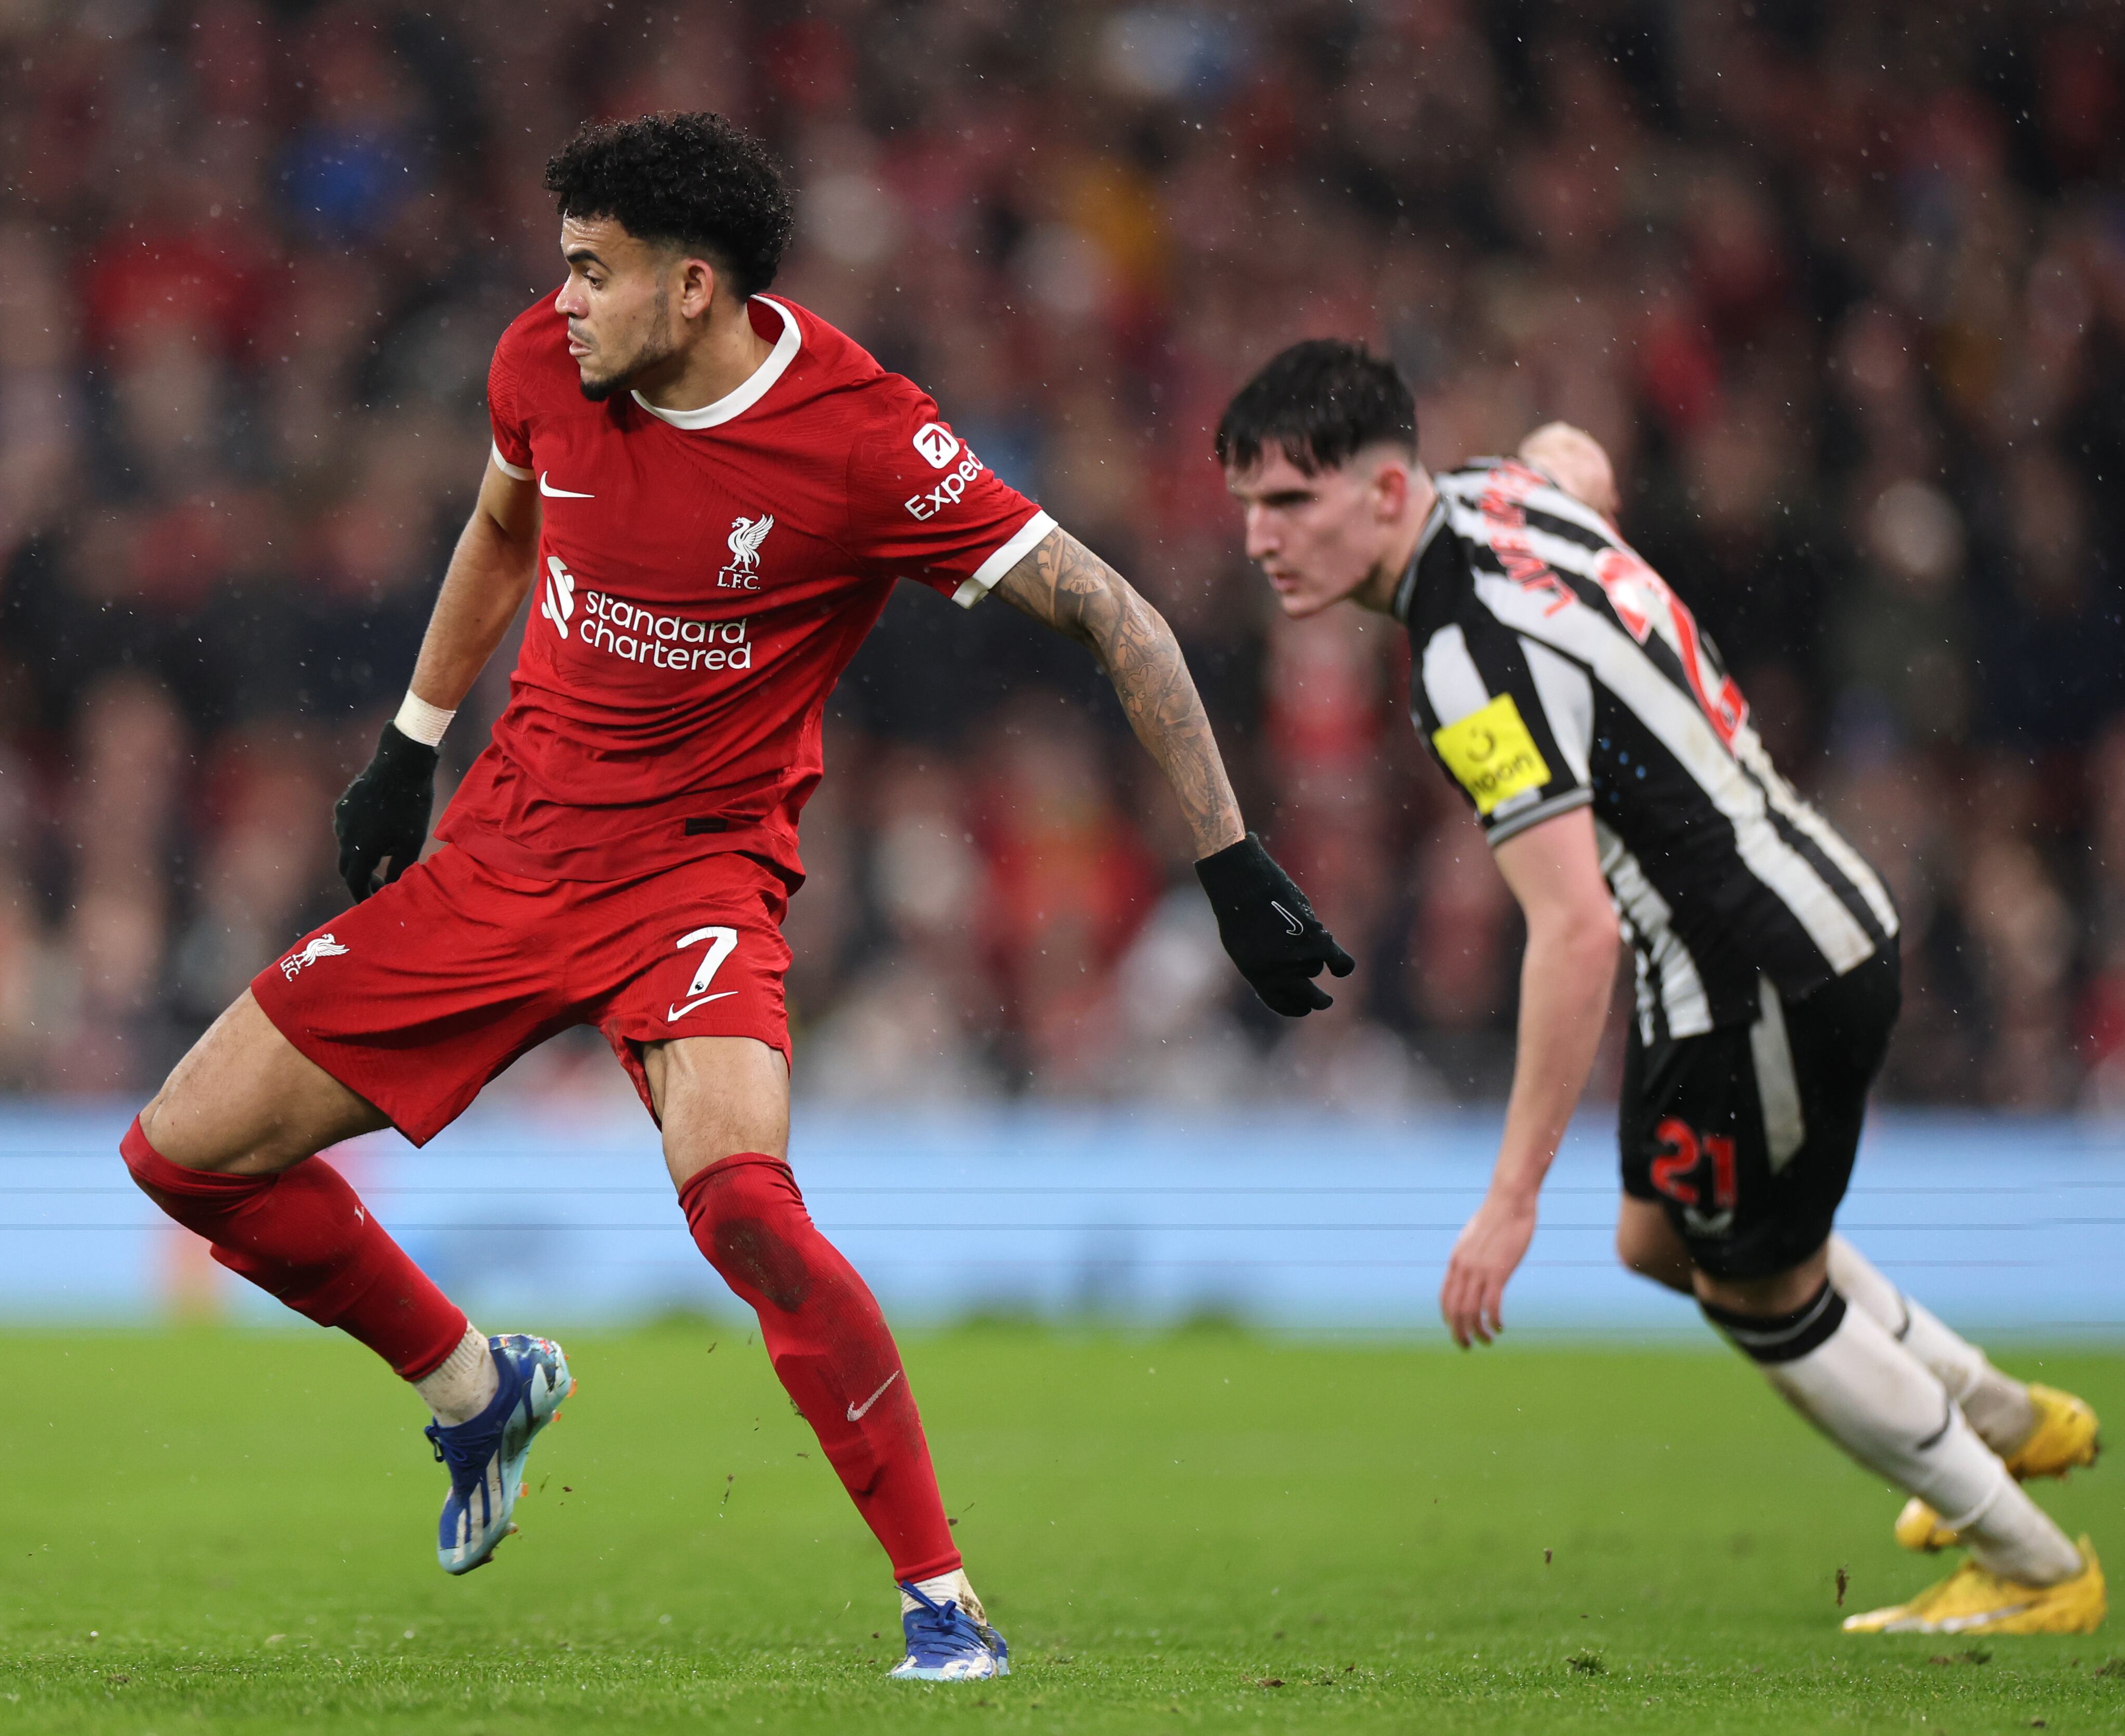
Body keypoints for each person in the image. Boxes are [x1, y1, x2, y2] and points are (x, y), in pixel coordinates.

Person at [117, 113, 1353, 1684]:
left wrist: (1228, 861)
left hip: (695, 870)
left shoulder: (863, 439)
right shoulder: (541, 366)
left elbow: (1117, 611)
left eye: (593, 271)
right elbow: (505, 521)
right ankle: (475, 1390)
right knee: (184, 1155)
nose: (558, 300)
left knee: (746, 1204)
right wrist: (410, 743)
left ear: (691, 288)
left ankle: (942, 1599)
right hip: (508, 852)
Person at [1211, 339, 2103, 1637]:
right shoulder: (1496, 493)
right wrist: (1573, 457)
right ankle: (2008, 1418)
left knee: (1756, 1286)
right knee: (1660, 1236)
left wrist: (1509, 1199)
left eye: (1289, 501)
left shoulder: (1462, 656)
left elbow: (1572, 930)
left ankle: (2030, 1563)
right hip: (1802, 919)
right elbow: (1571, 451)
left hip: (1749, 977)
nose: (1257, 538)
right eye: (1245, 503)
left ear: (1390, 492)